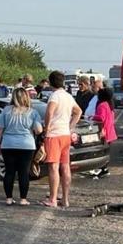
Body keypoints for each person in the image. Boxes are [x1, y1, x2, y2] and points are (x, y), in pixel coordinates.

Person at [42, 71, 82, 208]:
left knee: (53, 167)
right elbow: (78, 112)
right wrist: (70, 126)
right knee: (65, 167)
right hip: (65, 134)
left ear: (50, 82)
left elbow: (49, 112)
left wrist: (46, 128)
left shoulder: (54, 96)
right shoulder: (68, 96)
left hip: (54, 135)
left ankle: (53, 199)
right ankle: (65, 199)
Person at [0, 88, 43, 206]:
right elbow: (38, 130)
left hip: (8, 144)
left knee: (9, 172)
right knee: (24, 172)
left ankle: (9, 198)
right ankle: (23, 199)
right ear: (26, 97)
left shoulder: (6, 110)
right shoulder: (32, 112)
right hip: (26, 145)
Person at [90, 87, 117, 179]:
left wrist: (91, 117)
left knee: (101, 152)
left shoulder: (102, 105)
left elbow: (101, 118)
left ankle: (102, 169)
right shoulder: (109, 104)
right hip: (110, 132)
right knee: (106, 152)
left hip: (104, 132)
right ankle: (104, 169)